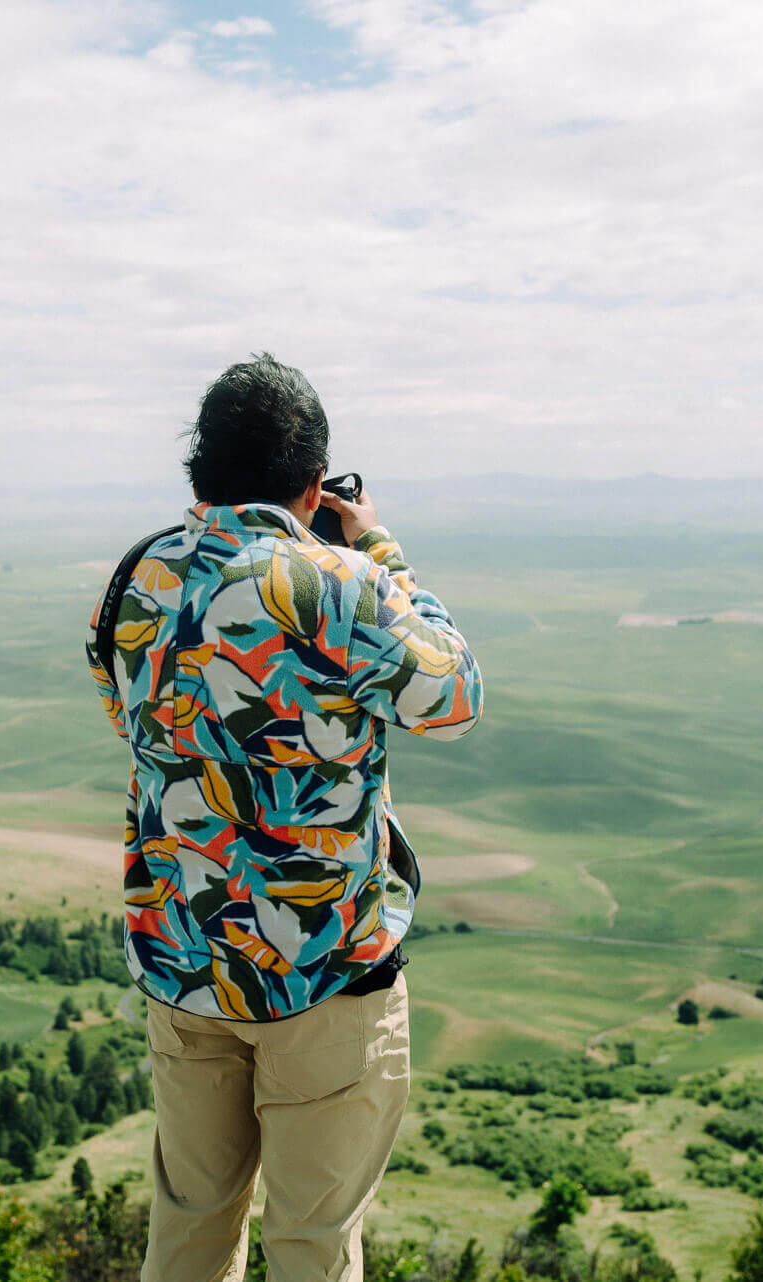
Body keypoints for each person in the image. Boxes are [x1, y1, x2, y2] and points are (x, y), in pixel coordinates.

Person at [85, 353, 483, 1281]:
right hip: (325, 972)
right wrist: (377, 547)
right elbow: (454, 693)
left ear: (199, 473)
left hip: (184, 962)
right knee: (311, 1243)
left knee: (188, 1229)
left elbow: (130, 717)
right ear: (314, 484)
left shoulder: (135, 580)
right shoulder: (338, 585)